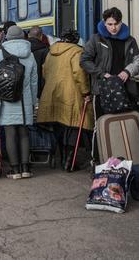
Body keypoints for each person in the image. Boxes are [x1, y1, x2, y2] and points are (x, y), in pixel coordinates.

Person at [0, 25, 38, 179]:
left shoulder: (1, 53)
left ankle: (15, 170)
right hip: (24, 100)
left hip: (6, 98)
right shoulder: (30, 54)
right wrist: (33, 102)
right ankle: (26, 168)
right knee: (24, 133)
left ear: (8, 37)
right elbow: (34, 81)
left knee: (10, 133)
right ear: (22, 37)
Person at [37, 29, 93, 170]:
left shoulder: (51, 51)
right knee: (73, 126)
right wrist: (86, 92)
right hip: (71, 94)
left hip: (52, 93)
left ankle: (62, 158)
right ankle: (69, 162)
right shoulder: (76, 52)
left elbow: (44, 72)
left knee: (59, 128)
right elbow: (79, 74)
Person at [80, 7, 139, 117]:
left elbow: (138, 61)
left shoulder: (130, 40)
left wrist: (127, 71)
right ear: (104, 23)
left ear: (121, 23)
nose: (113, 28)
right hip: (102, 90)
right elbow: (84, 60)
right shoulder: (96, 39)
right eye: (110, 24)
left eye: (116, 24)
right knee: (102, 125)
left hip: (126, 90)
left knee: (125, 124)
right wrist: (102, 74)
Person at [27, 26, 49, 97]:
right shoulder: (45, 50)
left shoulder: (22, 49)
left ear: (29, 35)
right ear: (41, 36)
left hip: (25, 88)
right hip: (40, 89)